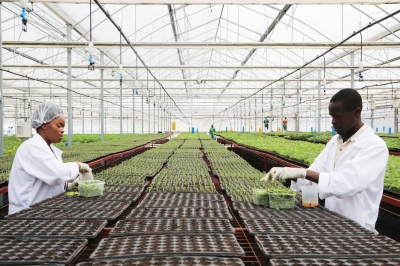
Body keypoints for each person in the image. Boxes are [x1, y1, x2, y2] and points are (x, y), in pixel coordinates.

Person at [261, 89, 388, 232]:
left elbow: (347, 184)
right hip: (331, 222)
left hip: (359, 228)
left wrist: (302, 173)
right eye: (331, 116)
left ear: (356, 113)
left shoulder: (374, 146)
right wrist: (293, 175)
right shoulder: (335, 142)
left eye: (338, 116)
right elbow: (314, 172)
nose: (333, 121)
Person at [8, 102, 92, 215]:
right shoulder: (33, 147)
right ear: (44, 124)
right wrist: (78, 165)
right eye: (59, 125)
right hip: (26, 214)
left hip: (42, 211)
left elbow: (47, 179)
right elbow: (57, 174)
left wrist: (69, 185)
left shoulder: (48, 148)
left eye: (63, 127)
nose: (62, 130)